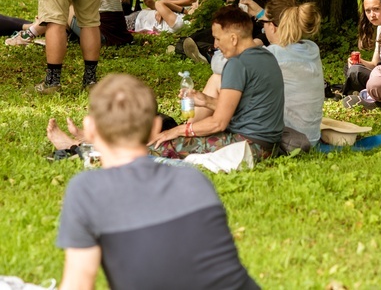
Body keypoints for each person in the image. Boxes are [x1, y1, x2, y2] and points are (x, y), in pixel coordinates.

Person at [54, 74, 259, 290]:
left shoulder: (87, 190)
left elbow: (78, 284)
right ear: (155, 128)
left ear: (90, 128)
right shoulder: (193, 179)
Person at [150, 6, 285, 160]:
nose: (215, 45)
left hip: (248, 147)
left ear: (233, 39)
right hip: (271, 146)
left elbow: (218, 123)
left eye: (218, 38)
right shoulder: (267, 57)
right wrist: (207, 101)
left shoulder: (237, 64)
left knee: (157, 146)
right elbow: (247, 107)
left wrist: (177, 130)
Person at [5, 0, 132, 47]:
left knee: (60, 8)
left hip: (101, 38)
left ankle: (27, 35)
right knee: (61, 8)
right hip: (115, 37)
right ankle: (51, 35)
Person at [263, 0, 324, 144]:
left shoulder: (274, 54)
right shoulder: (311, 48)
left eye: (263, 22)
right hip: (312, 137)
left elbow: (225, 66)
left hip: (289, 140)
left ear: (272, 26)